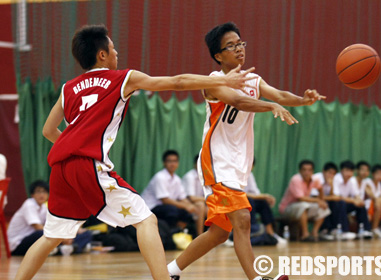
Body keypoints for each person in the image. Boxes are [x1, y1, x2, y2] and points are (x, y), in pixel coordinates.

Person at [14, 24, 255, 280]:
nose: (117, 53)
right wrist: (224, 80)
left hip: (61, 169)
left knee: (52, 236)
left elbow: (48, 131)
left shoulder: (68, 88)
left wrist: (72, 146)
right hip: (87, 165)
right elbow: (177, 81)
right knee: (146, 220)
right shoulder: (122, 78)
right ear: (102, 55)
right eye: (113, 48)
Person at [167, 22, 324, 280]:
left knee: (219, 233)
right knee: (242, 218)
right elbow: (238, 100)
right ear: (218, 55)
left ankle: (168, 272)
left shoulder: (253, 80)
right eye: (232, 46)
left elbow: (280, 94)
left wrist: (302, 100)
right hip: (217, 160)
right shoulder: (213, 81)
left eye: (241, 43)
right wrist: (269, 106)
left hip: (237, 162)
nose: (240, 49)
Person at [142, 150, 200, 235]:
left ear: (178, 163)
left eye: (175, 161)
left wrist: (191, 206)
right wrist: (186, 206)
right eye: (169, 161)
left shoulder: (177, 179)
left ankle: (178, 233)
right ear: (164, 163)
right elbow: (165, 200)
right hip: (151, 208)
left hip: (165, 207)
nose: (172, 164)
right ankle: (168, 234)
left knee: (186, 213)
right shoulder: (160, 177)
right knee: (172, 210)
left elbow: (182, 198)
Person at [279, 160, 331, 242]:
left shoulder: (315, 179)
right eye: (304, 170)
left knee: (323, 207)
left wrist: (322, 201)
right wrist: (318, 200)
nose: (307, 172)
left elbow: (320, 189)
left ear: (312, 171)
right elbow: (301, 198)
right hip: (287, 209)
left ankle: (314, 233)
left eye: (309, 170)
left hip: (304, 207)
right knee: (303, 205)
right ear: (300, 171)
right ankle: (305, 235)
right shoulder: (295, 179)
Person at [245, 159, 286, 244]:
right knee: (249, 201)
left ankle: (270, 233)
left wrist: (265, 197)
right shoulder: (234, 174)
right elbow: (238, 193)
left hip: (247, 200)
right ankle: (252, 230)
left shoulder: (250, 175)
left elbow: (255, 193)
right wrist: (264, 196)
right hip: (234, 202)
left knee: (263, 203)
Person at [312, 162, 356, 240]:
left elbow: (333, 195)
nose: (331, 175)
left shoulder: (333, 179)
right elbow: (315, 196)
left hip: (325, 201)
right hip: (313, 201)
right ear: (323, 171)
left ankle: (338, 230)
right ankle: (324, 230)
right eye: (329, 173)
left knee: (339, 203)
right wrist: (331, 198)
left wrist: (331, 186)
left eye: (333, 174)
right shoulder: (317, 178)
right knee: (326, 204)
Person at [333, 160, 373, 238]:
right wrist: (354, 201)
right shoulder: (337, 178)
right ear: (341, 171)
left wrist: (359, 201)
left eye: (351, 171)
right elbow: (337, 197)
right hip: (335, 205)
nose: (349, 173)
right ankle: (344, 231)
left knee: (361, 205)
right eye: (346, 170)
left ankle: (365, 230)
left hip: (345, 203)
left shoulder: (352, 180)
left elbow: (356, 194)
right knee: (342, 203)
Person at [7, 180, 49, 256]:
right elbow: (38, 227)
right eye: (38, 192)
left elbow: (50, 226)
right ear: (32, 195)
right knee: (42, 233)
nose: (42, 195)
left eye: (44, 192)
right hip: (17, 245)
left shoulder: (43, 207)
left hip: (30, 241)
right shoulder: (29, 204)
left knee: (76, 236)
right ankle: (60, 250)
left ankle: (62, 249)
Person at [181, 154, 206, 235]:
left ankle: (217, 237)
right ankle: (200, 236)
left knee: (216, 207)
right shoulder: (190, 176)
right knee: (200, 205)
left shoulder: (205, 176)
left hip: (198, 202)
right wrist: (211, 198)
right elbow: (192, 198)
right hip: (185, 203)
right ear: (195, 164)